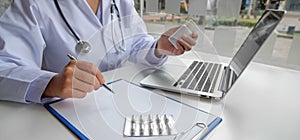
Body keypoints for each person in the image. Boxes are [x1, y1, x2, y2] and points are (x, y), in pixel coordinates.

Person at [0, 0, 197, 104]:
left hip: (119, 102)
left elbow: (135, 43)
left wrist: (158, 47)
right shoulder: (34, 3)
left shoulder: (120, 2)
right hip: (65, 113)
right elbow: (4, 66)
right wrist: (50, 83)